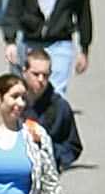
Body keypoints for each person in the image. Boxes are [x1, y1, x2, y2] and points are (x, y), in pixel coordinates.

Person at [17, 39, 82, 171]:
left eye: (45, 75)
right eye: (35, 74)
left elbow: (73, 146)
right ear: (24, 71)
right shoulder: (12, 104)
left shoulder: (60, 107)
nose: (41, 80)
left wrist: (55, 155)